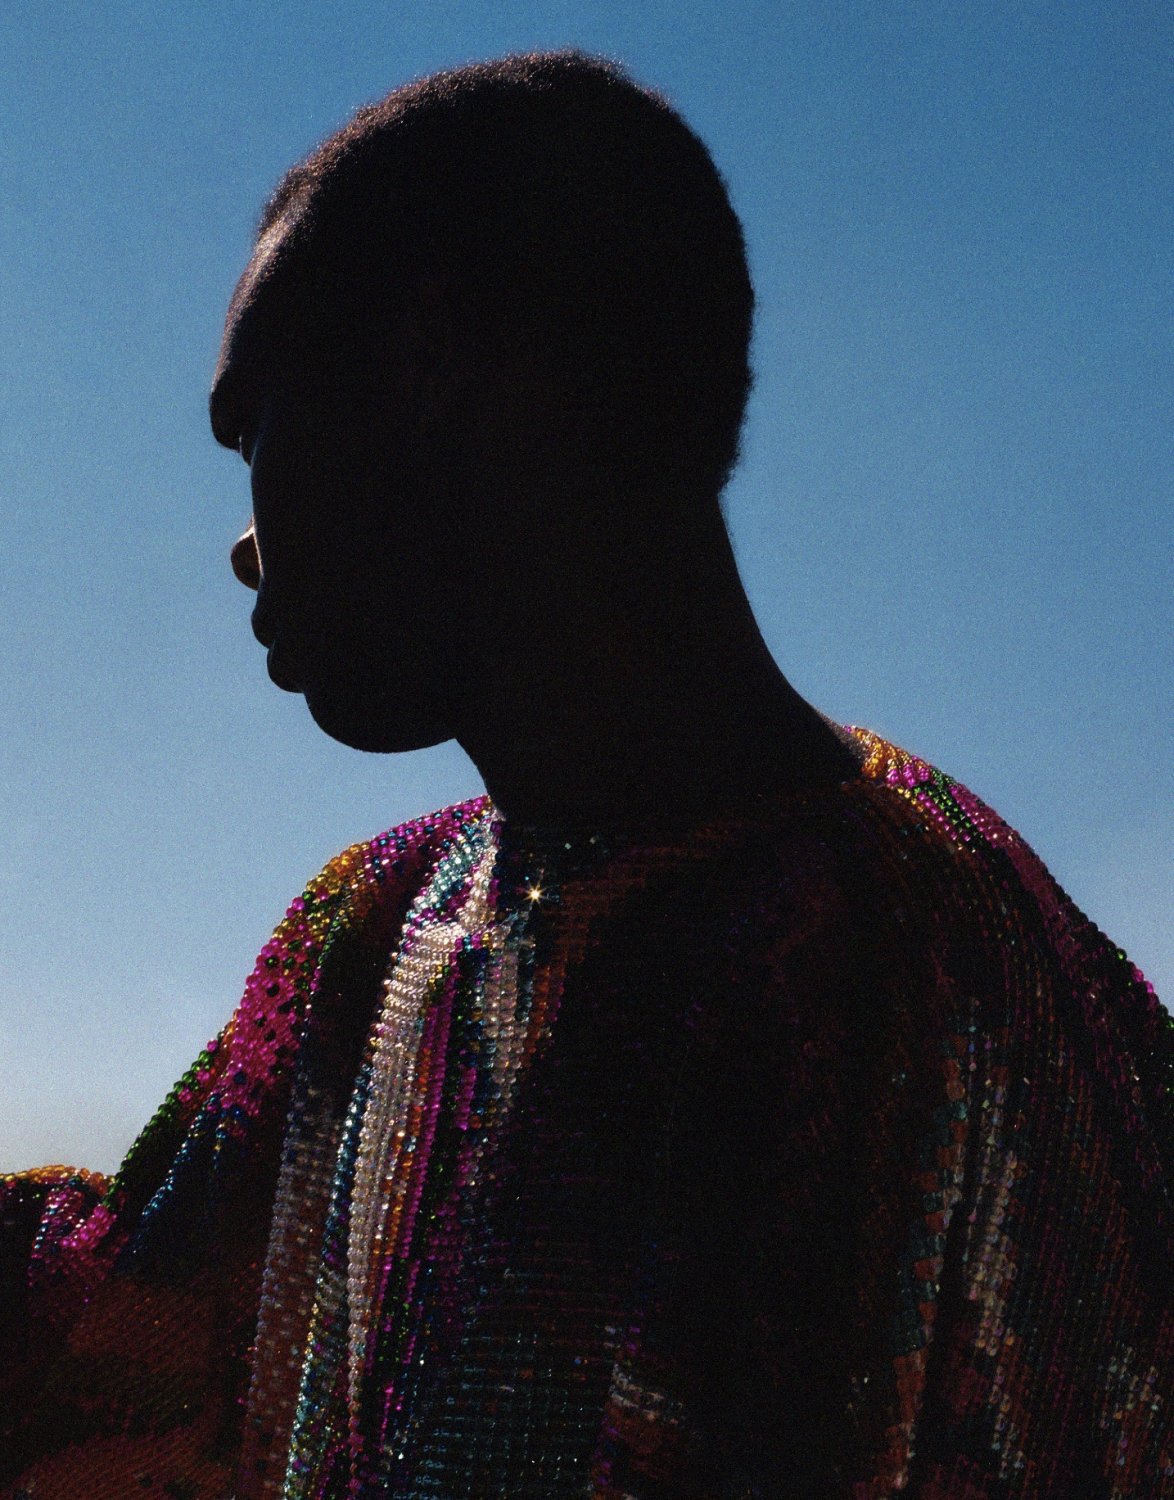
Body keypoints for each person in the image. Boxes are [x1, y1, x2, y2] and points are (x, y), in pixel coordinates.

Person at [1, 51, 1169, 1500]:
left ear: (431, 359)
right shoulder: (369, 933)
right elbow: (124, 1338)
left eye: (256, 427)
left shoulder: (905, 971)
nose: (246, 544)